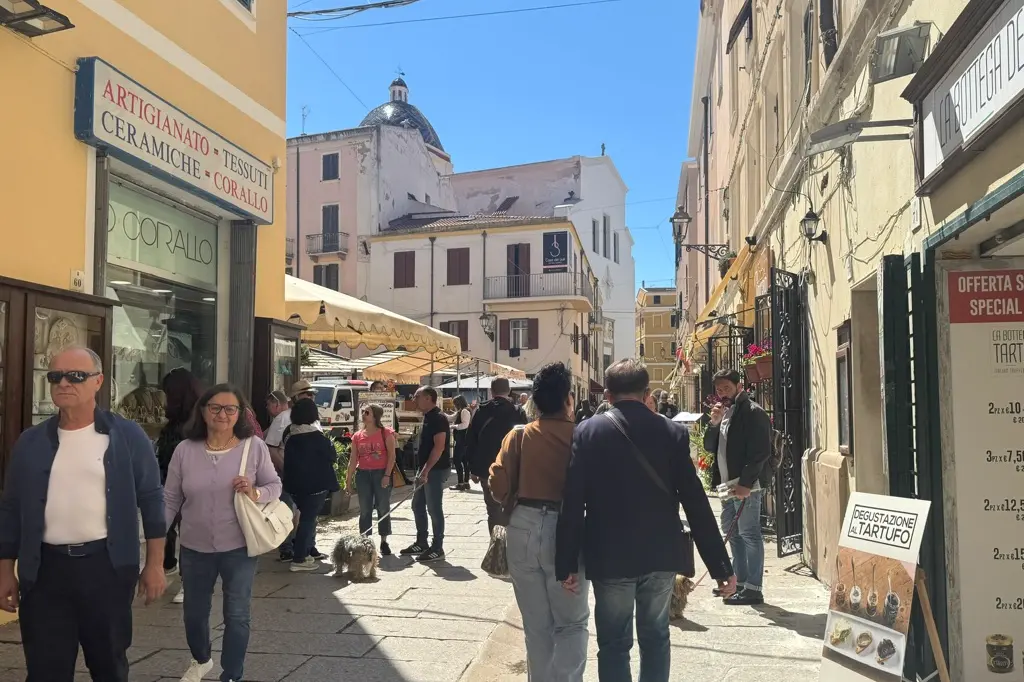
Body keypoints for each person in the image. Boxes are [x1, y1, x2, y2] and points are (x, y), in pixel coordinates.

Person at [556, 358, 736, 682]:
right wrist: (721, 567)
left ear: (607, 395)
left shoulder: (587, 432)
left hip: (609, 555)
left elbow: (572, 501)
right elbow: (695, 503)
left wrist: (566, 562)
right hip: (659, 554)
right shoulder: (672, 433)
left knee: (613, 642)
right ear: (646, 392)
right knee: (656, 638)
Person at [0, 346, 167, 681]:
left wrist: (154, 564)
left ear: (98, 381)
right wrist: (5, 571)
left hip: (104, 569)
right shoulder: (30, 442)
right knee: (46, 670)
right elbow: (11, 509)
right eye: (55, 376)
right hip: (45, 573)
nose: (64, 383)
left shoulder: (127, 437)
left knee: (108, 666)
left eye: (76, 376)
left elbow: (151, 499)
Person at [163, 383, 282, 682]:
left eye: (230, 409)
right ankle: (201, 659)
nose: (222, 414)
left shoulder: (253, 447)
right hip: (193, 547)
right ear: (202, 411)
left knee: (237, 614)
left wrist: (255, 492)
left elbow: (275, 486)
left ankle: (232, 674)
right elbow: (170, 499)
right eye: (215, 407)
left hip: (239, 546)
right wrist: (154, 540)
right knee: (193, 612)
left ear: (240, 414)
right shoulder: (184, 450)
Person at [490, 363, 589, 682]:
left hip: (523, 528)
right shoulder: (581, 437)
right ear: (568, 400)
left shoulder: (518, 436)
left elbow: (498, 487)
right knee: (572, 624)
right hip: (567, 531)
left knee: (536, 627)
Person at [703, 368, 773, 606]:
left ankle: (754, 588)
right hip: (726, 485)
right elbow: (709, 447)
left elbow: (761, 452)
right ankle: (739, 582)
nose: (723, 393)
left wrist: (745, 484)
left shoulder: (753, 412)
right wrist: (714, 423)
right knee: (732, 532)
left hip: (746, 486)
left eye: (727, 388)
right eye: (719, 389)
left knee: (749, 534)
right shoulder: (725, 412)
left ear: (738, 386)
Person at [156, 367, 202, 604]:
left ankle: (188, 580)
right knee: (167, 525)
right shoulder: (175, 420)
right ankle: (169, 564)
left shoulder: (198, 420)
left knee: (188, 531)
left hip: (190, 482)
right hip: (168, 481)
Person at [282, 398, 340, 572]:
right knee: (308, 520)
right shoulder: (318, 437)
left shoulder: (289, 435)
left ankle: (304, 553)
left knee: (303, 518)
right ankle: (299, 558)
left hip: (294, 485)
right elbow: (332, 456)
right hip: (316, 486)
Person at [466, 377, 527, 535]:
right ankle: (510, 542)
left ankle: (496, 544)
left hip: (487, 468)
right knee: (512, 507)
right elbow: (525, 441)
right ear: (509, 391)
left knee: (492, 509)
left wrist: (473, 469)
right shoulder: (517, 411)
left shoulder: (481, 410)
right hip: (512, 468)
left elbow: (471, 439)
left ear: (491, 391)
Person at [400, 386, 450, 563]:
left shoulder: (438, 418)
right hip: (425, 468)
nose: (414, 399)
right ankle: (422, 541)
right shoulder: (428, 417)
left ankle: (438, 547)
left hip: (435, 469)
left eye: (417, 396)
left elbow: (439, 446)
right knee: (417, 505)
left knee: (434, 508)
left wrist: (426, 470)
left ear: (428, 398)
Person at [347, 403, 397, 556]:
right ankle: (365, 540)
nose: (363, 414)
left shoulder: (386, 433)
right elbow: (353, 459)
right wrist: (348, 481)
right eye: (362, 412)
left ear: (375, 415)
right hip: (363, 474)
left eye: (366, 412)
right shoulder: (357, 436)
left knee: (383, 507)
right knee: (365, 509)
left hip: (380, 473)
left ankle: (384, 541)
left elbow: (392, 457)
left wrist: (387, 475)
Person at [448, 395, 472, 491]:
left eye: (455, 404)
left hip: (462, 440)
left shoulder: (464, 411)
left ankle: (460, 483)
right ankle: (465, 483)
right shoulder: (462, 411)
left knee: (457, 460)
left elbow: (464, 425)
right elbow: (451, 418)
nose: (454, 406)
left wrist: (453, 427)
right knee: (464, 461)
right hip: (464, 440)